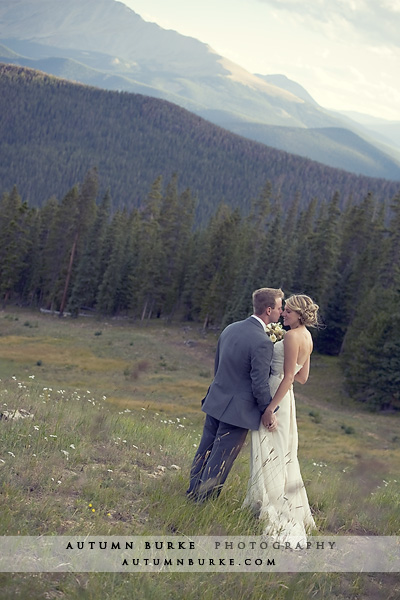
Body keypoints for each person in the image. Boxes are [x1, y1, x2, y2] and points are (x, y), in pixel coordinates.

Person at [186, 287, 284, 502]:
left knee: (205, 449)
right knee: (221, 457)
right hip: (238, 410)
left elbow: (218, 365)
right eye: (279, 308)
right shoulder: (262, 342)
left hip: (216, 399)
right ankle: (203, 502)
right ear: (269, 310)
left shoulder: (230, 328)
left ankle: (192, 492)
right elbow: (259, 384)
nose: (281, 312)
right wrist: (268, 409)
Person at [242, 294, 320, 544]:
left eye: (288, 311)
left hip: (277, 395)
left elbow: (288, 377)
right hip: (289, 399)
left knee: (269, 451)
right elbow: (302, 377)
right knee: (283, 453)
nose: (283, 314)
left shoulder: (290, 336)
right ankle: (275, 501)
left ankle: (270, 506)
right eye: (283, 310)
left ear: (299, 314)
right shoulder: (307, 337)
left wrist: (269, 409)